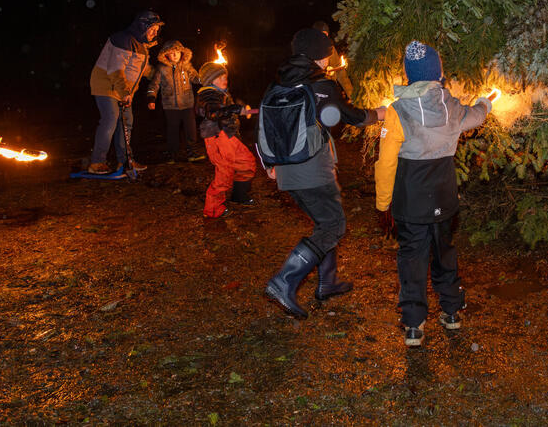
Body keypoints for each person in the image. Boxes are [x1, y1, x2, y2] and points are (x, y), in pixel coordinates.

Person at [374, 41, 494, 347]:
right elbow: (476, 116)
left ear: (408, 75)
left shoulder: (397, 111)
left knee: (412, 258)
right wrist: (485, 103)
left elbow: (386, 162)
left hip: (411, 201)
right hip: (444, 196)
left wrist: (383, 203)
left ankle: (414, 325)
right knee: (444, 252)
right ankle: (451, 312)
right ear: (438, 72)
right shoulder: (450, 106)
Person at [264, 28, 384, 319]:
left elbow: (265, 124)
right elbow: (352, 115)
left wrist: (268, 163)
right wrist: (379, 113)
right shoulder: (321, 84)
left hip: (285, 169)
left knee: (324, 223)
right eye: (328, 53)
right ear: (320, 55)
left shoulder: (278, 83)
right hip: (312, 169)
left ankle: (327, 282)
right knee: (333, 225)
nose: (330, 59)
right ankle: (284, 281)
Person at [88, 11, 163, 174]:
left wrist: (159, 74)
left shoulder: (141, 46)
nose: (155, 33)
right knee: (111, 119)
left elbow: (141, 69)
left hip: (123, 90)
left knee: (127, 122)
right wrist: (124, 92)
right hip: (107, 84)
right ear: (143, 26)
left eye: (157, 30)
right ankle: (97, 162)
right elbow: (116, 69)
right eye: (152, 29)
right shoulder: (123, 40)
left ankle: (125, 161)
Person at [196, 61, 257, 218]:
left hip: (229, 137)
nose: (225, 80)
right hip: (217, 138)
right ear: (210, 80)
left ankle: (239, 196)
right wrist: (236, 109)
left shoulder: (221, 93)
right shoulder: (208, 94)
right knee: (225, 173)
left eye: (225, 77)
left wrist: (239, 109)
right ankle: (213, 209)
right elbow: (213, 113)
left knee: (247, 163)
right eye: (220, 77)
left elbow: (226, 110)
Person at [146, 39, 204, 163]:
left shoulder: (187, 66)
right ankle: (172, 154)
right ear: (166, 54)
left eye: (177, 52)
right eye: (171, 52)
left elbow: (195, 77)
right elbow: (154, 85)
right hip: (170, 106)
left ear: (181, 53)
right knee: (172, 130)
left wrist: (204, 78)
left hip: (187, 104)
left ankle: (192, 152)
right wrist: (151, 98)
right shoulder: (162, 69)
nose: (175, 55)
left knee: (191, 130)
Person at [312, 20, 353, 98]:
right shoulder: (309, 50)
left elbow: (341, 74)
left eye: (325, 35)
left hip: (331, 91)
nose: (323, 38)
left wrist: (351, 95)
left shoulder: (331, 49)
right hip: (316, 93)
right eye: (321, 35)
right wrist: (323, 72)